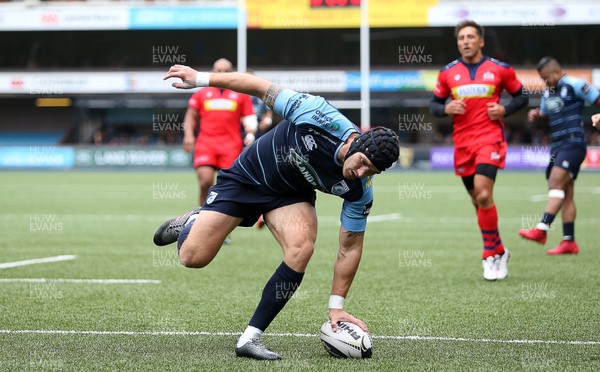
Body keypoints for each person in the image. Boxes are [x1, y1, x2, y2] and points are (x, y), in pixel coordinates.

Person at [154, 64, 400, 360]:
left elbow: (349, 248)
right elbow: (257, 86)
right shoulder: (316, 114)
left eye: (369, 172)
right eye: (361, 163)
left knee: (302, 248)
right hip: (249, 176)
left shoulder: (361, 190)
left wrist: (337, 305)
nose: (359, 173)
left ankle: (250, 338)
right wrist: (201, 79)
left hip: (290, 195)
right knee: (193, 258)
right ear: (355, 142)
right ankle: (195, 219)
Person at [430, 20, 529, 281]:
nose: (466, 41)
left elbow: (522, 96)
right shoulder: (447, 73)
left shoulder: (500, 69)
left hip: (490, 139)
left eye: (471, 36)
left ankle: (489, 256)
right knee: (477, 201)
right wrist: (445, 109)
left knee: (484, 195)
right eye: (461, 37)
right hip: (462, 144)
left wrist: (505, 109)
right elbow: (434, 105)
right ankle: (500, 250)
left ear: (481, 41)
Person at [518, 57, 600, 254]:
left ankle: (542, 229)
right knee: (566, 191)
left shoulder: (575, 84)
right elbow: (546, 118)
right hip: (557, 145)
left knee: (555, 181)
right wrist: (537, 116)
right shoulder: (548, 92)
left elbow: (597, 99)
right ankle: (569, 241)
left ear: (555, 72)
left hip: (573, 142)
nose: (544, 82)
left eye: (546, 78)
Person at [182, 58, 257, 206]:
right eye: (219, 71)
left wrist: (250, 133)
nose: (222, 74)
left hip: (231, 146)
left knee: (229, 188)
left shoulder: (241, 95)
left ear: (232, 73)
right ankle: (200, 215)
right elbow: (190, 116)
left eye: (226, 71)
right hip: (206, 144)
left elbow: (249, 118)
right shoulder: (201, 94)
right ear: (213, 72)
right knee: (205, 182)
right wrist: (188, 135)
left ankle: (223, 217)